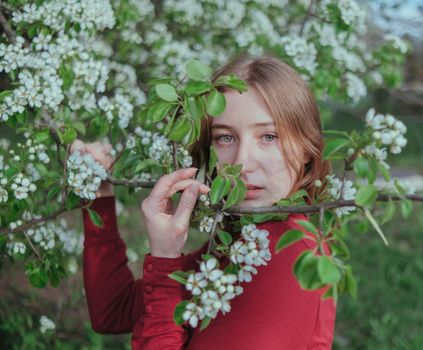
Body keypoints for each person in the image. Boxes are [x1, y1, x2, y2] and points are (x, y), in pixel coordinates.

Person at [76, 54, 336, 349]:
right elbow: (112, 310)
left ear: (305, 149)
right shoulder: (243, 240)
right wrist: (98, 197)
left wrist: (165, 260)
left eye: (269, 136)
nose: (242, 163)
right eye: (225, 138)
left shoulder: (294, 255)